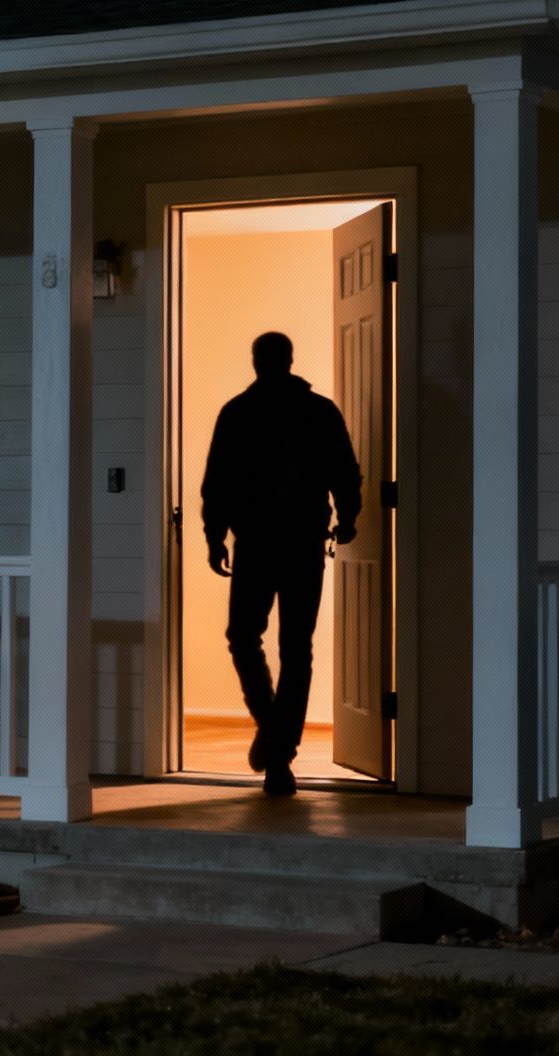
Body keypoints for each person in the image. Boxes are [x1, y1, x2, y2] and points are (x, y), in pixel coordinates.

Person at [201, 331, 361, 796]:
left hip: (257, 543)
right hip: (302, 542)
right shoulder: (318, 411)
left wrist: (216, 538)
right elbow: (344, 471)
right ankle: (278, 747)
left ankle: (273, 737)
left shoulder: (238, 412)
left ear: (256, 362)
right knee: (296, 648)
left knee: (245, 638)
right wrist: (347, 518)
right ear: (290, 360)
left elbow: (218, 483)